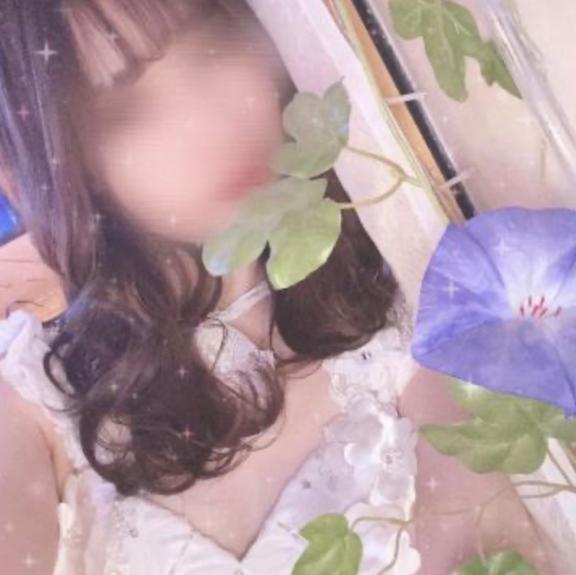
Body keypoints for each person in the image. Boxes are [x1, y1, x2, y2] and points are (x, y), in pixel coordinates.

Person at [0, 0, 558, 573]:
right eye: (128, 109)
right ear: (55, 169)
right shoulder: (37, 400)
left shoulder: (413, 307)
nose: (211, 119)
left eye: (212, 41)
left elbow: (490, 544)